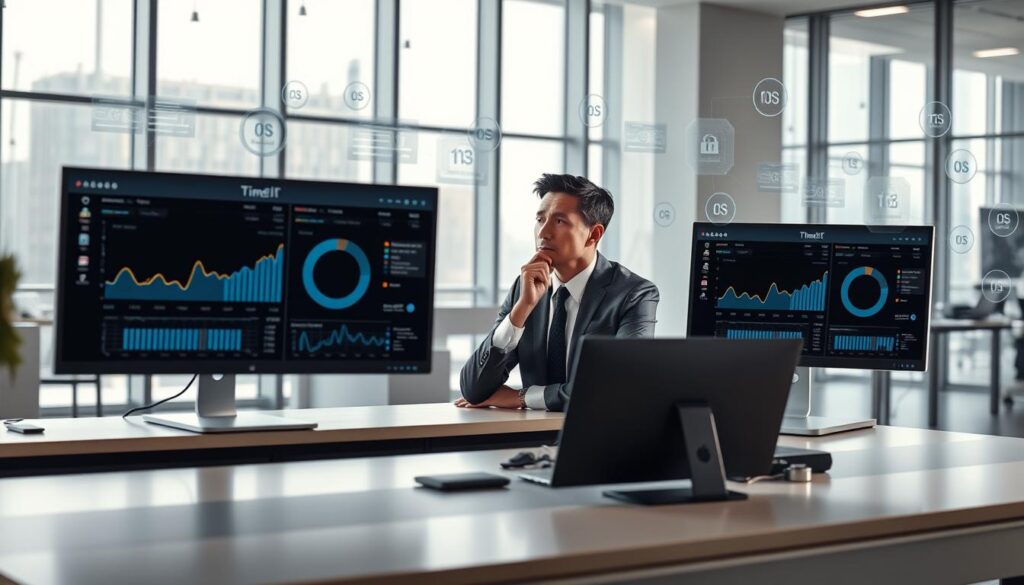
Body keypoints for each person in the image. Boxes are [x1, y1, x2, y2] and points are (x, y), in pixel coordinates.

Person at [456, 174, 659, 412]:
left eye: (560, 221)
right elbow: (473, 389)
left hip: (600, 436)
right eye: (540, 219)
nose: (543, 233)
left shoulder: (635, 294)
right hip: (530, 436)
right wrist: (521, 310)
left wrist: (523, 398)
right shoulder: (526, 288)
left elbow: (618, 385)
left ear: (594, 234)